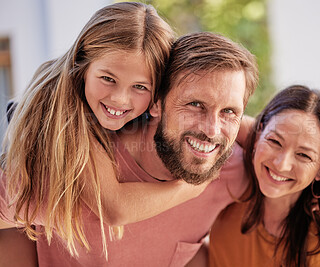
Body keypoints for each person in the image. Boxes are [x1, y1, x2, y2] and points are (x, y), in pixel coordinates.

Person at [2, 29, 259, 266]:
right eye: (195, 105)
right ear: (155, 102)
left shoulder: (233, 170)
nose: (212, 130)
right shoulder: (68, 172)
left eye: (229, 111)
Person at [208, 85, 320, 267]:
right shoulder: (228, 181)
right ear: (258, 134)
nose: (282, 164)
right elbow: (215, 125)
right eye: (275, 141)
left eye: (303, 155)